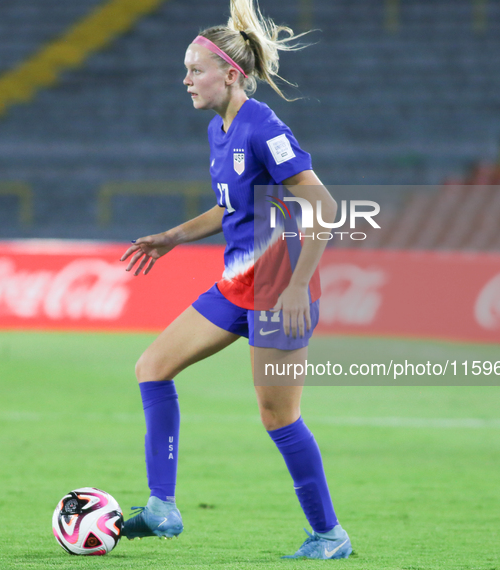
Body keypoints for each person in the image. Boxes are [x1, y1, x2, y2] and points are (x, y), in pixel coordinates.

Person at [120, 0, 352, 560]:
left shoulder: (263, 125)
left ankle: (329, 535)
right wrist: (174, 235)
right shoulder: (217, 129)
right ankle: (162, 508)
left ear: (229, 74)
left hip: (279, 290)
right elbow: (231, 208)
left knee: (278, 418)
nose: (186, 79)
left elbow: (324, 206)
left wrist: (298, 287)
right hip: (237, 284)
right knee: (152, 366)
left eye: (194, 69)